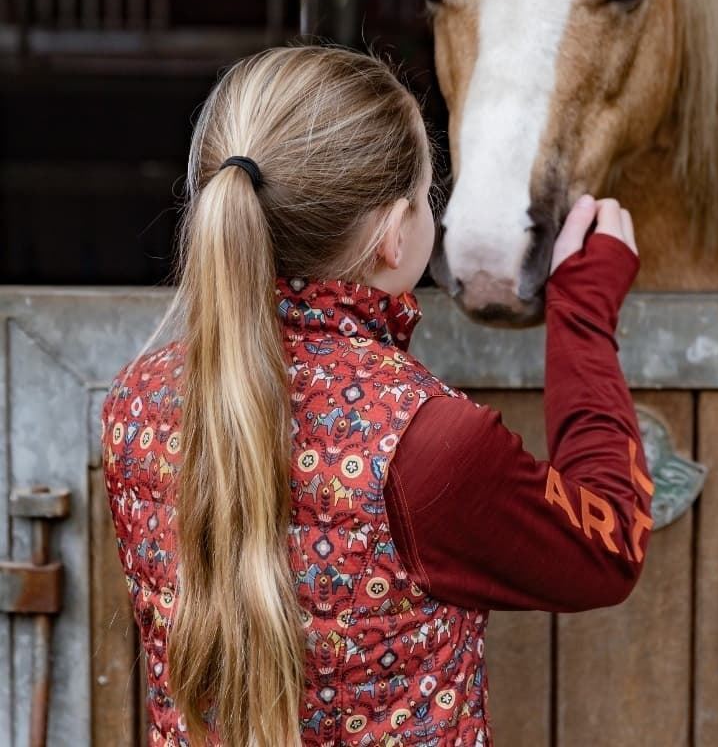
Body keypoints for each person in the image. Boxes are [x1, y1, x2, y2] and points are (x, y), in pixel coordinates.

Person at [100, 44, 653, 747]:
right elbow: (605, 547)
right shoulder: (426, 443)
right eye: (428, 198)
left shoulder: (135, 405)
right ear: (395, 237)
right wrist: (582, 308)